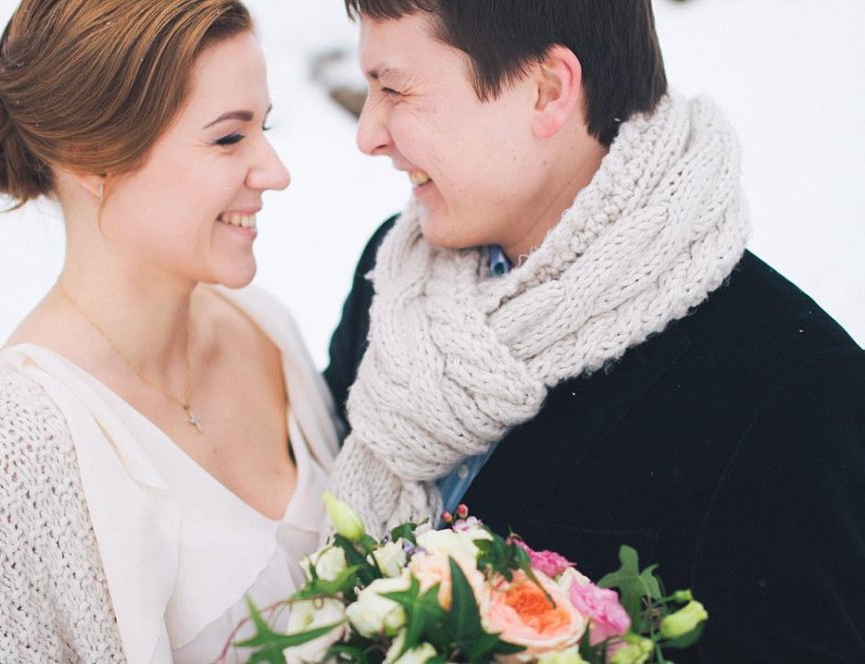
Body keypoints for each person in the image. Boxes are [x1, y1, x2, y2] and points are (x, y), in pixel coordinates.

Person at [324, 1, 865, 661]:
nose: (369, 135)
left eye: (395, 89)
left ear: (547, 90)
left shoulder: (793, 389)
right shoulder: (395, 279)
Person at [0, 1, 340, 662]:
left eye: (265, 126)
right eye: (229, 138)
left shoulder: (263, 327)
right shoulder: (1, 457)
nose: (276, 172)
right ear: (91, 156)